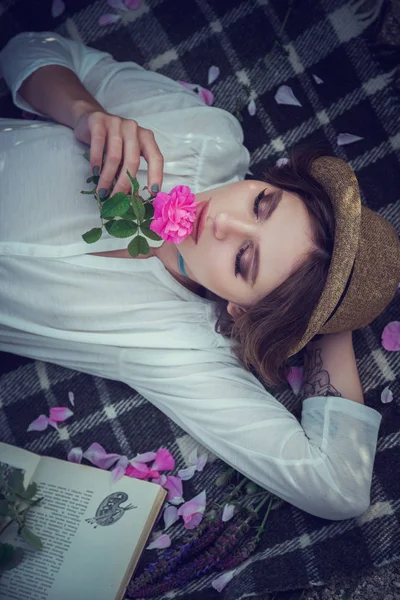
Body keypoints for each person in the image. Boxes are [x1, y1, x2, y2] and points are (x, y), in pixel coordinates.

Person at [0, 31, 398, 521]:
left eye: (243, 260)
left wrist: (328, 318)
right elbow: (28, 48)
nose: (221, 222)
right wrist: (84, 112)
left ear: (242, 308)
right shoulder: (200, 135)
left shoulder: (182, 351)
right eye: (260, 203)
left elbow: (338, 487)